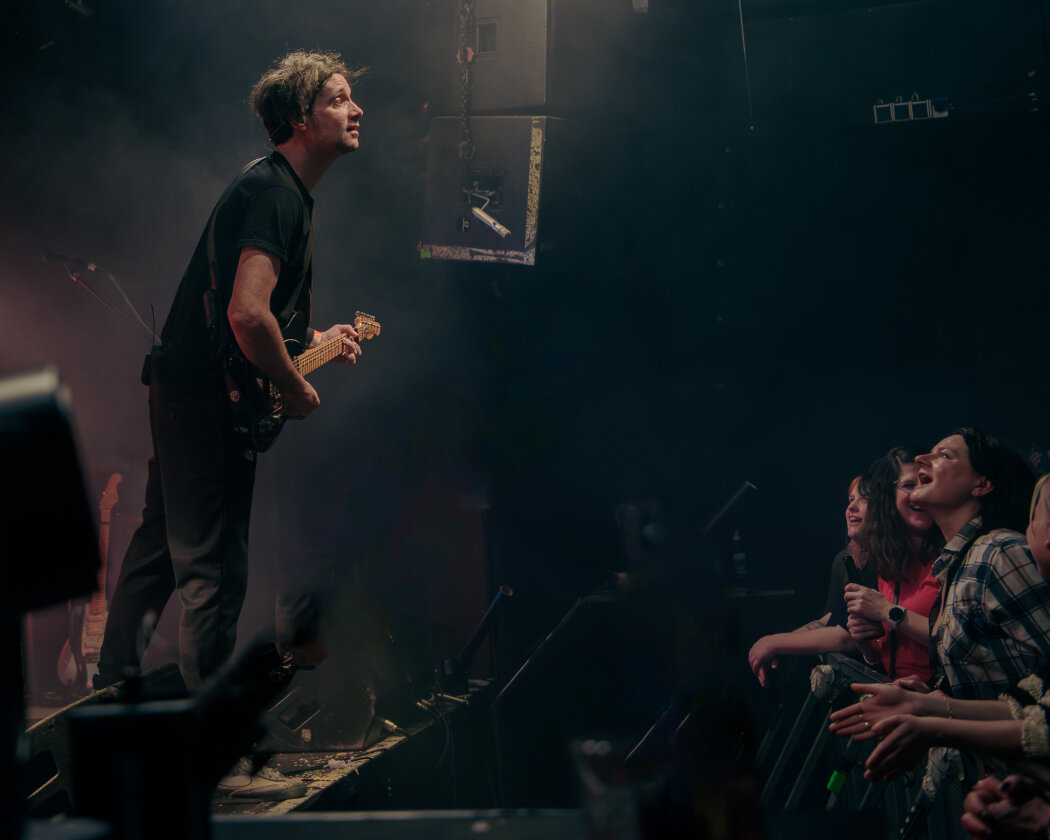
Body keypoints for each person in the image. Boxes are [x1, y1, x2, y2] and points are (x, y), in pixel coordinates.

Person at [94, 51, 367, 796]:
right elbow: (247, 317)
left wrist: (310, 347)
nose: (357, 110)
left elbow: (258, 321)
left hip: (186, 391)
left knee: (158, 545)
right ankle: (205, 761)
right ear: (299, 118)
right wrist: (296, 388)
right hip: (204, 403)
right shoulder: (275, 194)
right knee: (214, 573)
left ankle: (111, 695)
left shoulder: (281, 191)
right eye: (339, 99)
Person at [747, 476, 876, 687]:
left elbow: (846, 636)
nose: (851, 507)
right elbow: (832, 619)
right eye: (850, 499)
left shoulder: (885, 564)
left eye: (864, 498)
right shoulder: (850, 561)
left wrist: (773, 643)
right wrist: (777, 644)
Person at [843, 447, 942, 683]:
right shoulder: (890, 562)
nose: (919, 493)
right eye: (909, 485)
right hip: (897, 699)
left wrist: (888, 611)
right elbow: (893, 656)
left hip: (938, 704)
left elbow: (957, 640)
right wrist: (867, 647)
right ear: (889, 497)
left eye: (926, 482)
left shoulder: (947, 558)